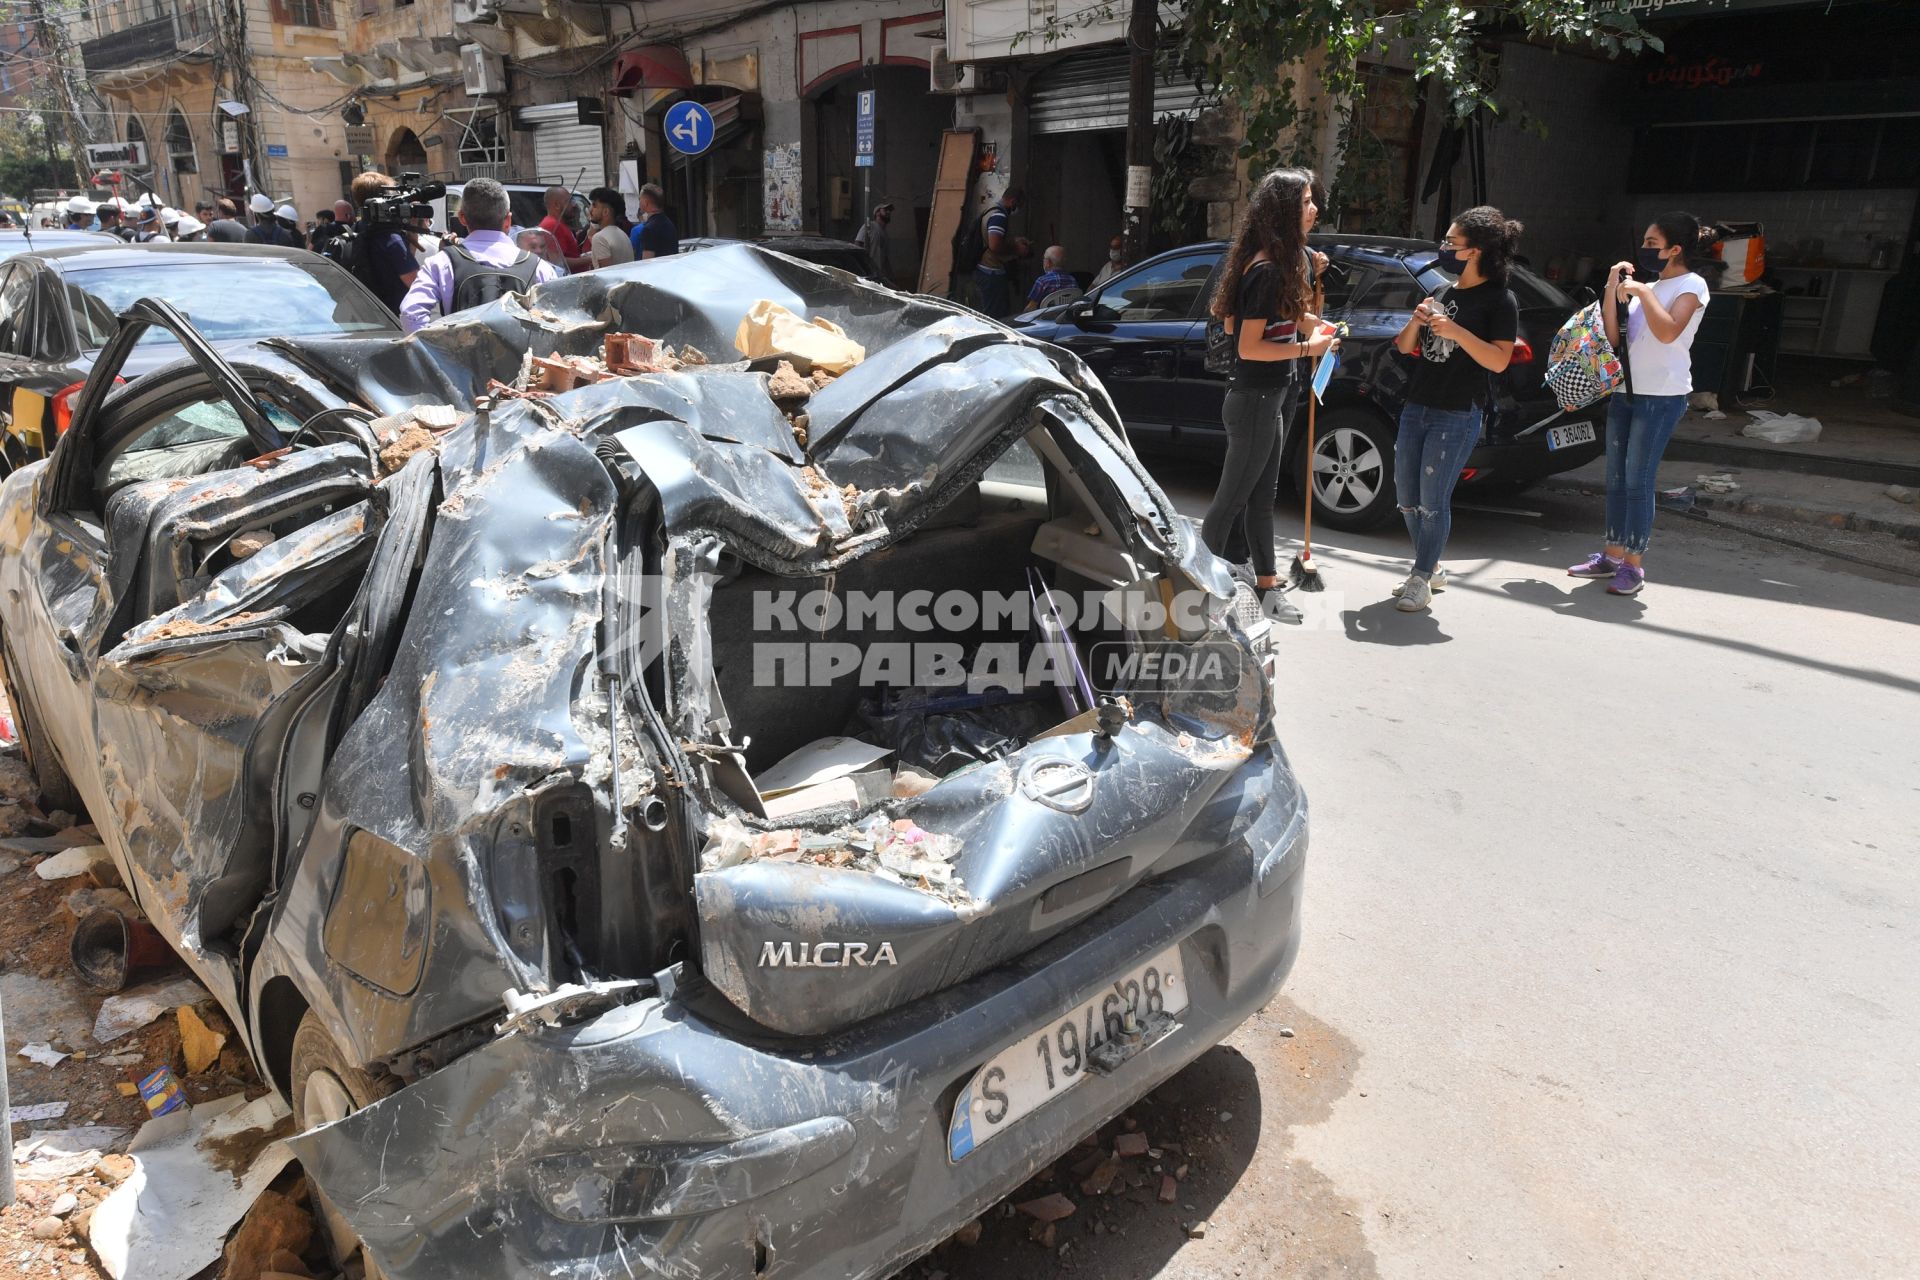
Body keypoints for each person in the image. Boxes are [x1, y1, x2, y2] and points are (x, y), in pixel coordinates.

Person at [1198, 168, 1335, 626]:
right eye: (1306, 203)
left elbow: (1283, 321)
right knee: (1230, 503)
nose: (1315, 210)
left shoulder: (1285, 261)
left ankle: (1267, 587)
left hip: (1270, 398)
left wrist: (1318, 328)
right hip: (1254, 400)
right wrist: (1307, 348)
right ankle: (1193, 597)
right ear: (1283, 211)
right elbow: (1247, 344)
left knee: (1262, 499)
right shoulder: (1266, 269)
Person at [1566, 211, 1713, 597]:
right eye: (1645, 242)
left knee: (1638, 481)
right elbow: (1613, 338)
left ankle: (1633, 565)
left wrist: (1643, 293)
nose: (1645, 250)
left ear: (1675, 249)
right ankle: (1611, 556)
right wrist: (1612, 287)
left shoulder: (1692, 285)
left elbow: (1667, 332)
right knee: (1615, 478)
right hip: (1624, 392)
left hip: (1662, 396)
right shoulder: (1646, 286)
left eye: (1652, 244)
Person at [1386, 206, 1523, 613]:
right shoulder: (1442, 293)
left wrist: (1457, 332)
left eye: (1451, 242)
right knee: (1407, 497)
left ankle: (1421, 576)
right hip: (1418, 405)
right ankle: (1431, 566)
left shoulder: (1501, 300)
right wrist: (1417, 320)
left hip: (1457, 413)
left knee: (1433, 500)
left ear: (1476, 251)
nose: (1443, 248)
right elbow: (1406, 347)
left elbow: (1499, 360)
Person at [400, 177, 557, 333]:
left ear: (462, 218)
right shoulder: (539, 267)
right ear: (508, 220)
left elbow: (410, 313)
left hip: (461, 356)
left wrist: (441, 351)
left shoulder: (441, 262)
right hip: (525, 357)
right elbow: (557, 318)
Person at [345, 171, 420, 315]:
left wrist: (412, 237)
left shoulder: (356, 230)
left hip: (367, 317)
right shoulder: (391, 239)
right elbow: (416, 284)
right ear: (383, 199)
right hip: (394, 322)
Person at [970, 187, 1029, 319]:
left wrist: (1014, 241)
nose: (1017, 209)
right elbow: (995, 245)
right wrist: (1017, 249)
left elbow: (995, 238)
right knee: (995, 317)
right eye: (1018, 205)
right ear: (1013, 201)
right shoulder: (999, 216)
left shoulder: (991, 210)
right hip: (991, 273)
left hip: (986, 271)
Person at [538, 186, 590, 271]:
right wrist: (589, 259)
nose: (574, 205)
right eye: (569, 201)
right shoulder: (552, 225)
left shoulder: (557, 223)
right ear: (557, 205)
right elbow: (557, 261)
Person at [586, 186, 634, 269]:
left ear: (606, 212)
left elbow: (606, 274)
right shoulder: (622, 234)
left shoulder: (599, 238)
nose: (590, 210)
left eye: (594, 205)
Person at [630, 183, 678, 260]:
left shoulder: (648, 229)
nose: (639, 202)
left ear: (645, 203)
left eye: (640, 199)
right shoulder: (669, 224)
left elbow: (647, 263)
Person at [853, 201, 895, 283]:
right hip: (870, 274)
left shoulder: (885, 233)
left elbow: (884, 256)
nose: (888, 212)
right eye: (885, 210)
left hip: (880, 275)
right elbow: (857, 244)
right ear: (877, 213)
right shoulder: (870, 226)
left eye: (889, 210)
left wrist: (891, 275)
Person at [1025, 245, 1076, 309]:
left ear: (1047, 262)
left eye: (1044, 259)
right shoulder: (1072, 280)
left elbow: (1031, 307)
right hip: (1064, 317)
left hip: (1045, 318)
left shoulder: (1042, 281)